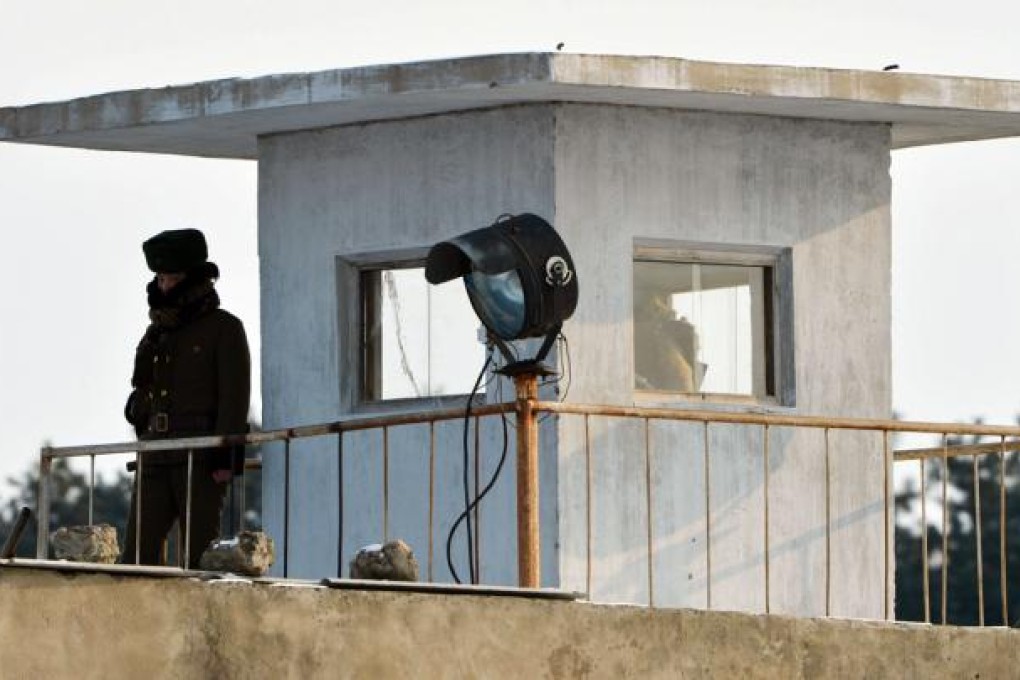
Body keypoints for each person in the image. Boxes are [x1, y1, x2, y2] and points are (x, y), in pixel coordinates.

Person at [121, 228, 251, 568]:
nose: (164, 286)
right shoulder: (157, 332)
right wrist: (138, 412)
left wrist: (226, 458)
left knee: (198, 560)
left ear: (194, 278)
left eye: (172, 278)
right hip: (155, 452)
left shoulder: (225, 329)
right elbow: (144, 387)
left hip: (201, 456)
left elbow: (234, 399)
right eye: (160, 278)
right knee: (135, 558)